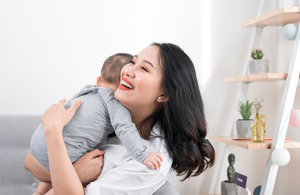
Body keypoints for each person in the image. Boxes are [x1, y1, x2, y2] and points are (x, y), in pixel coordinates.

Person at [35, 43, 215, 195]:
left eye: (144, 68)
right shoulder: (109, 111)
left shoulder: (151, 160)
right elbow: (30, 162)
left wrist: (53, 132)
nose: (127, 71)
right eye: (133, 62)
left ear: (164, 94)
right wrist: (75, 172)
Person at [24, 53, 163, 194]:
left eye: (144, 69)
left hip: (38, 141)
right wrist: (143, 154)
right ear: (122, 84)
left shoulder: (88, 91)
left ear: (98, 81)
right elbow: (125, 129)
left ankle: (39, 192)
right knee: (75, 150)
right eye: (133, 63)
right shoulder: (115, 103)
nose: (130, 71)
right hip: (55, 151)